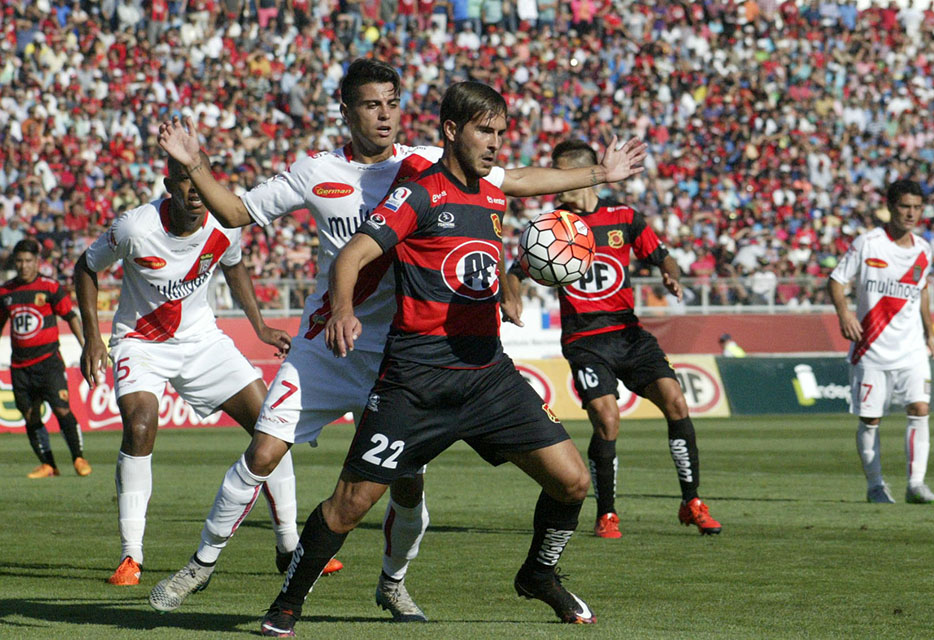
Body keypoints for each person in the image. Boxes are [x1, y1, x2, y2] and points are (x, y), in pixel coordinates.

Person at [151, 58, 646, 620]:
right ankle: (203, 564)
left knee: (407, 490)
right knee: (267, 453)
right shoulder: (319, 171)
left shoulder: (427, 161)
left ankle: (394, 582)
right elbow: (238, 211)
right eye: (371, 104)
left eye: (392, 103)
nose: (384, 115)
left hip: (404, 351)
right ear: (347, 109)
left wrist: (599, 176)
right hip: (333, 344)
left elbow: (521, 179)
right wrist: (195, 167)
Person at [258, 81, 601, 637]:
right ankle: (287, 604)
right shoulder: (419, 193)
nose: (494, 144)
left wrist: (596, 177)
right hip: (415, 382)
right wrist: (343, 308)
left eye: (500, 133)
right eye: (483, 131)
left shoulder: (492, 193)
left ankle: (539, 574)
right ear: (450, 131)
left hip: (488, 376)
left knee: (572, 482)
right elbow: (354, 254)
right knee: (349, 506)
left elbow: (520, 189)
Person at [73, 153, 309, 587]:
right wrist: (92, 335)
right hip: (141, 342)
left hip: (202, 340)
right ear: (169, 184)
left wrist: (259, 326)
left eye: (201, 180)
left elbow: (235, 266)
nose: (195, 191)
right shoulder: (135, 228)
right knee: (141, 426)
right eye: (184, 181)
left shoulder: (224, 222)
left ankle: (289, 547)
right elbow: (86, 268)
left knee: (270, 425)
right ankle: (131, 556)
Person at [505, 140, 722, 540]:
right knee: (607, 419)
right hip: (585, 339)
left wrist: (670, 272)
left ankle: (692, 502)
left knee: (675, 401)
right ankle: (607, 513)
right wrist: (511, 292)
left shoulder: (624, 217)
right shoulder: (555, 224)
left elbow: (662, 255)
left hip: (628, 332)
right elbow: (516, 270)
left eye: (563, 174)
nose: (557, 183)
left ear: (583, 173)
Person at [828, 179, 934, 505]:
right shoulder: (869, 243)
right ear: (891, 207)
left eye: (917, 208)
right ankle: (876, 486)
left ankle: (916, 484)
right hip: (871, 348)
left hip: (911, 349)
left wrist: (930, 333)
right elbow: (836, 281)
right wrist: (844, 314)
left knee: (920, 409)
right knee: (870, 419)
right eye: (905, 206)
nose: (911, 213)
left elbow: (920, 289)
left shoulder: (923, 249)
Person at [0, 238, 91, 478]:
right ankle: (48, 464)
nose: (23, 266)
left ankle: (78, 458)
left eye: (28, 261)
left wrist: (86, 344)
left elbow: (70, 316)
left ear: (37, 262)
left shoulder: (49, 287)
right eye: (19, 261)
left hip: (48, 362)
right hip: (20, 366)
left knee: (61, 409)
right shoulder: (5, 291)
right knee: (30, 415)